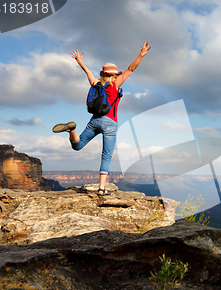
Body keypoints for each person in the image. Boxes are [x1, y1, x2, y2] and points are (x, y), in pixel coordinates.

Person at [53, 41, 151, 196]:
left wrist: (80, 62)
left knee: (77, 146)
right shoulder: (115, 85)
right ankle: (101, 188)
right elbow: (131, 69)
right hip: (110, 123)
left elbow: (88, 73)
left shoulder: (96, 84)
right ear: (114, 74)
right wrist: (141, 55)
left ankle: (72, 130)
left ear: (103, 74)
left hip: (94, 121)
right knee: (106, 155)